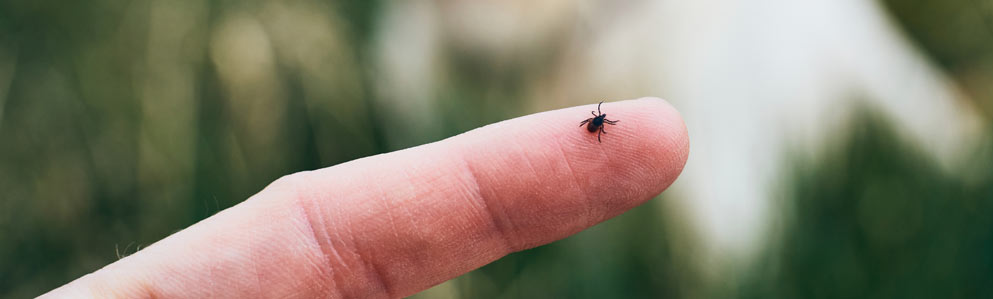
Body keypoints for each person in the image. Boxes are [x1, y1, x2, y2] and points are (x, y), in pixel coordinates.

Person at [44, 98, 688, 298]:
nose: (597, 124)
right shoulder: (597, 126)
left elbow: (595, 126)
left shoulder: (593, 125)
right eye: (597, 122)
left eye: (597, 122)